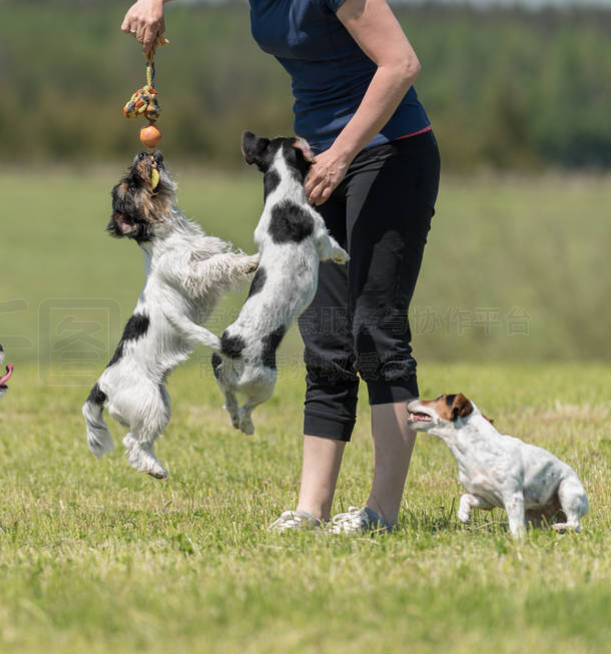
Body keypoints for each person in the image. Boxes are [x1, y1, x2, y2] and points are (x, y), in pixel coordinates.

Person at [121, 0, 439, 533]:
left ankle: (381, 512)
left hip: (387, 153)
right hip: (318, 166)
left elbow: (401, 65)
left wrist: (339, 154)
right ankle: (311, 511)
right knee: (325, 335)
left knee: (375, 330)